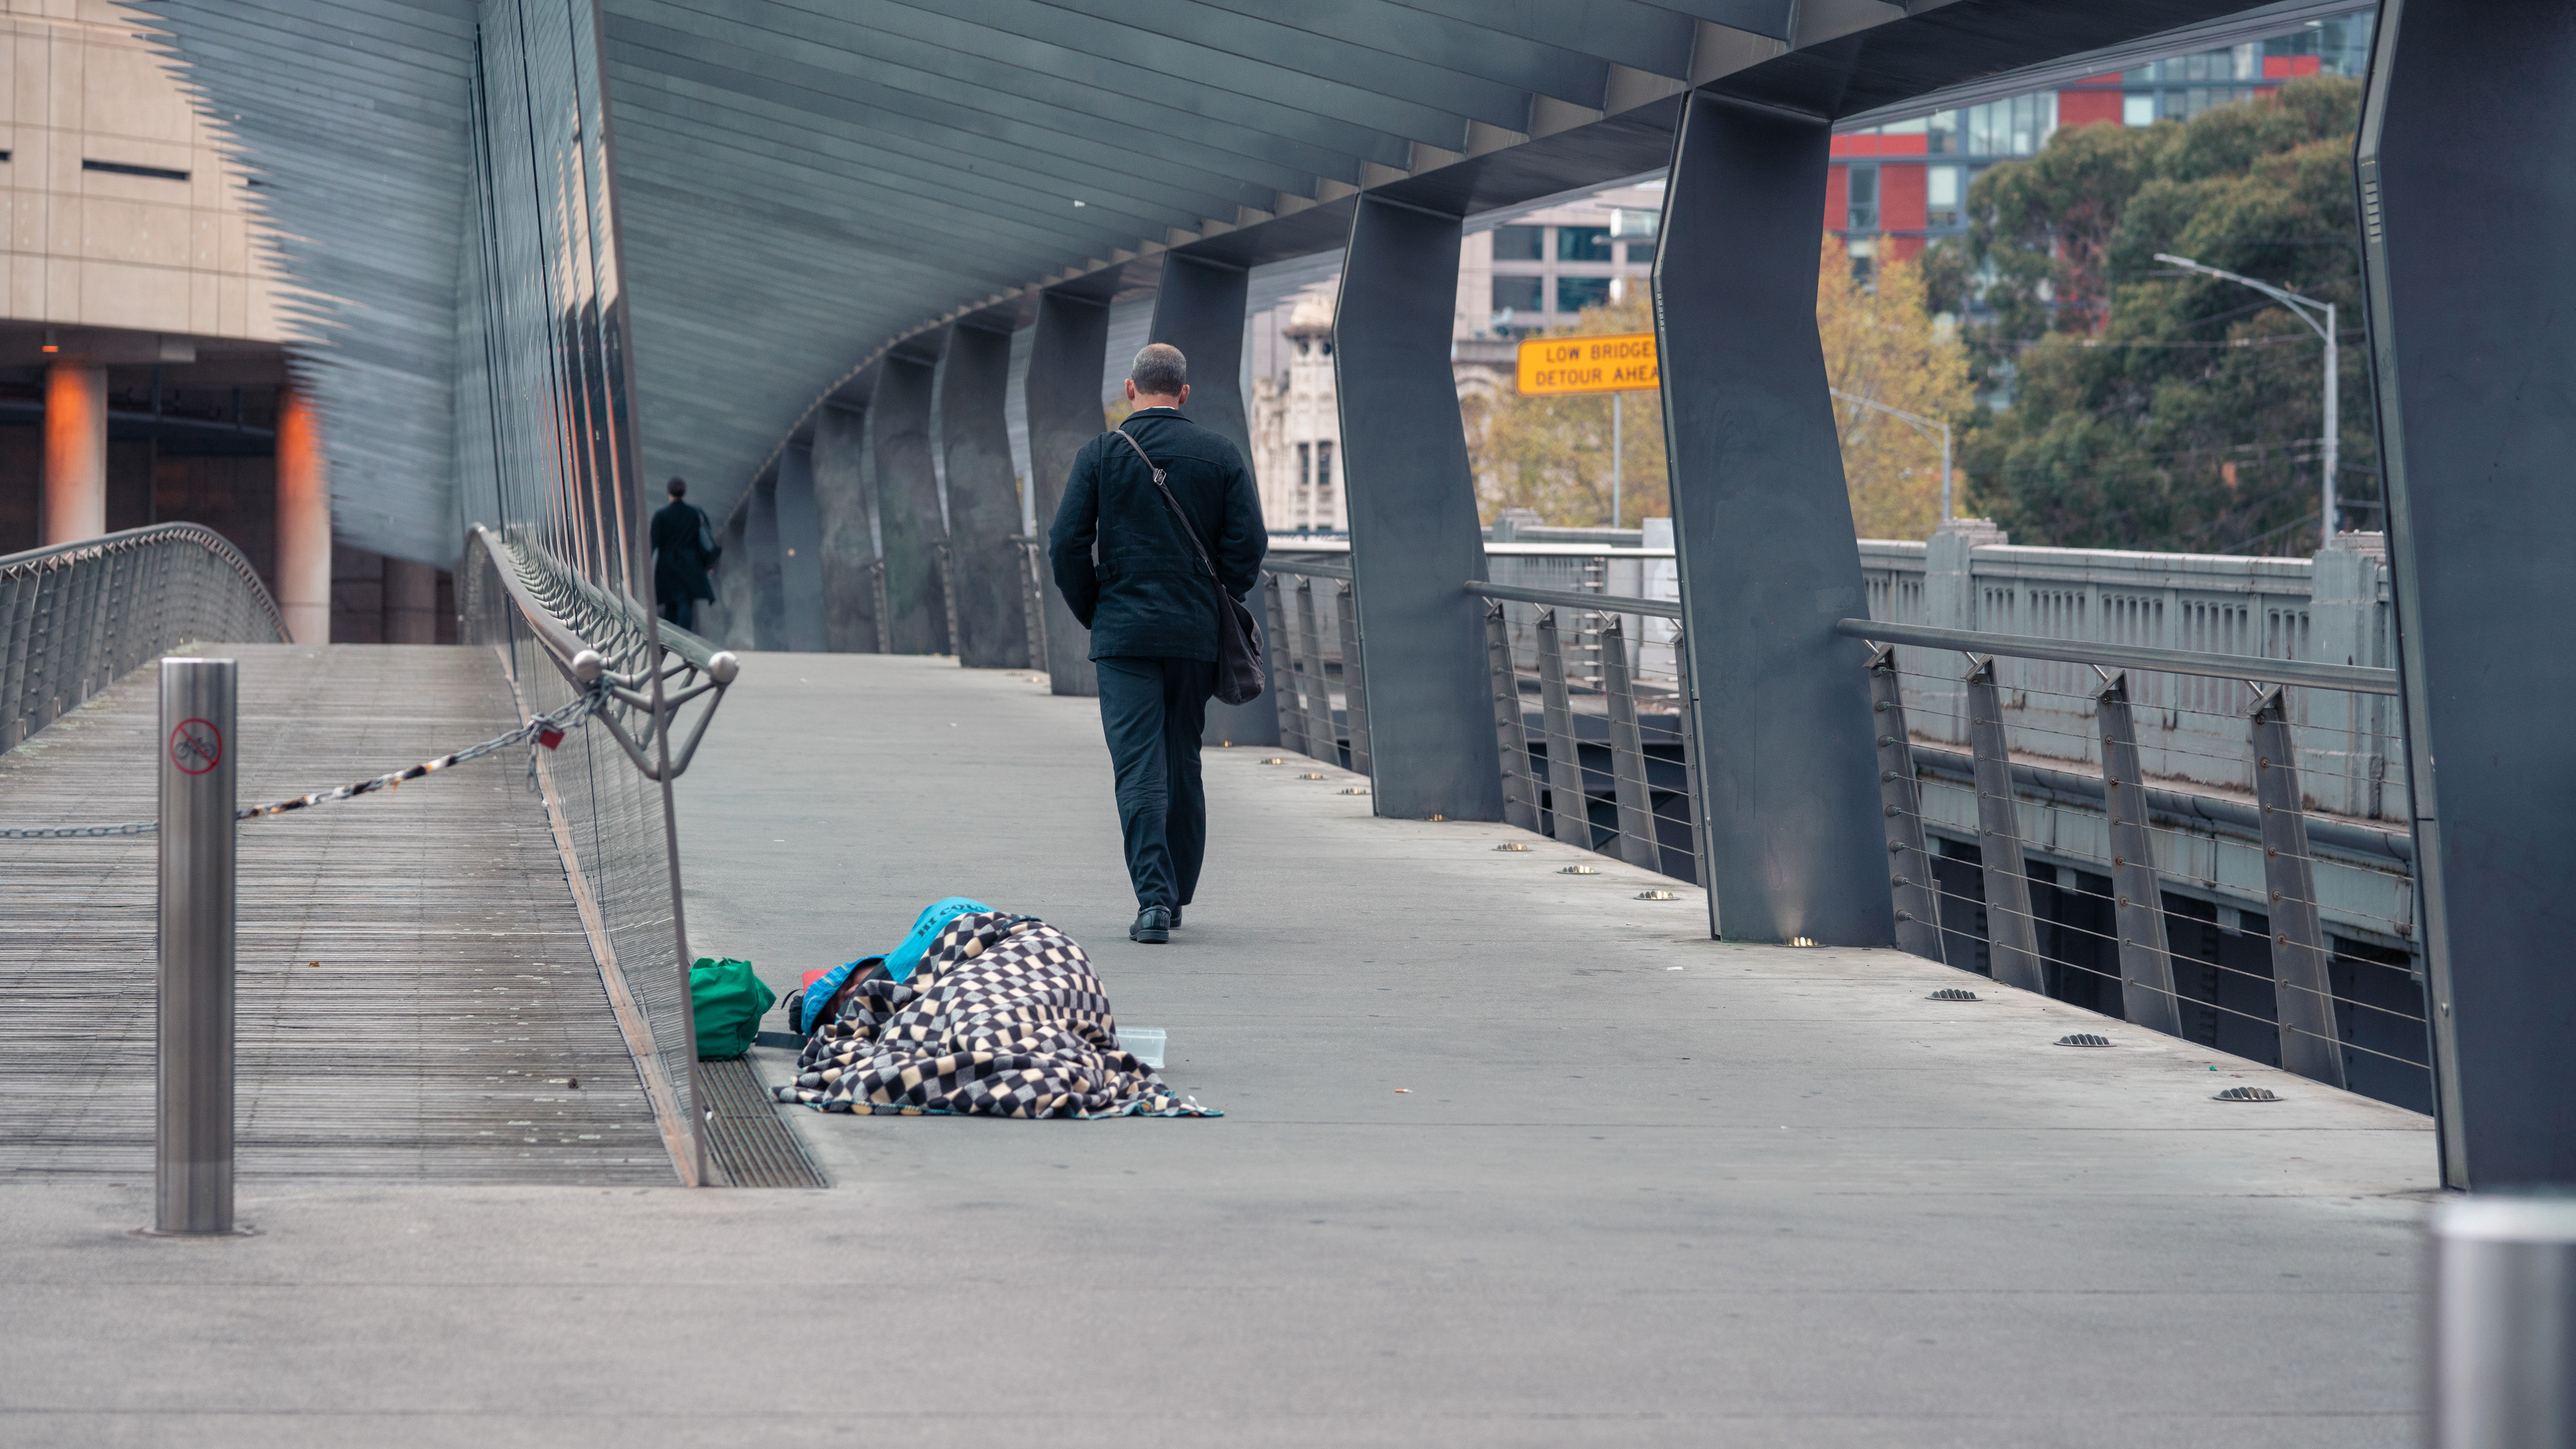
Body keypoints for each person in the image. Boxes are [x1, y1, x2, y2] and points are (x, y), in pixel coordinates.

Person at [1048, 343, 1266, 945]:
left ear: (1130, 390)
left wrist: (1096, 608)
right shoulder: (1219, 454)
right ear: (1184, 393)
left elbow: (1066, 543)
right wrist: (1216, 593)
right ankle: (1175, 895)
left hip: (1123, 634)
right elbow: (1249, 543)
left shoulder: (1102, 454)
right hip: (1193, 633)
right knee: (1182, 757)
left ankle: (1152, 898)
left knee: (1137, 765)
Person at [649, 477, 718, 631]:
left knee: (670, 602)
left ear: (669, 493)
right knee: (686, 601)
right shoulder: (694, 513)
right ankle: (685, 634)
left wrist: (645, 566)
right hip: (690, 562)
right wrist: (707, 563)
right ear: (684, 493)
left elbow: (654, 543)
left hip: (667, 563)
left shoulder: (661, 516)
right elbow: (703, 540)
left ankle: (670, 636)